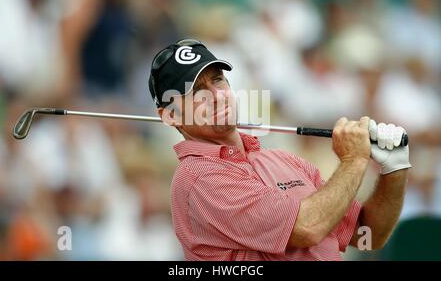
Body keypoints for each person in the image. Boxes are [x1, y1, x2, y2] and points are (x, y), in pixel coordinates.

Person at [148, 39, 412, 260]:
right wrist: (354, 160)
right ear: (170, 115)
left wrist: (395, 168)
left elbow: (367, 233)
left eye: (218, 80)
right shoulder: (198, 178)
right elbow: (307, 228)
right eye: (196, 92)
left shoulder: (282, 159)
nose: (216, 96)